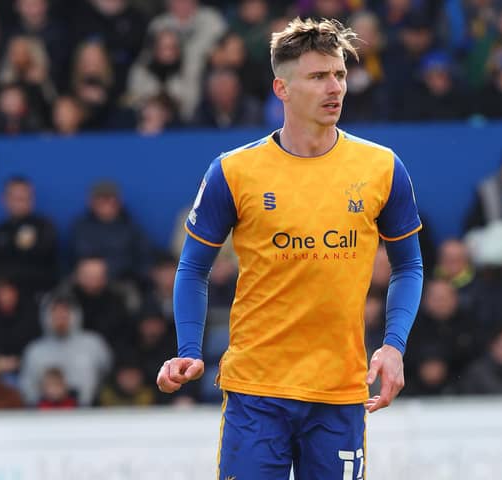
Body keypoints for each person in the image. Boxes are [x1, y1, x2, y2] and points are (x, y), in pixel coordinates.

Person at [156, 17, 424, 479]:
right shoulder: (234, 171)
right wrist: (188, 347)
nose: (334, 87)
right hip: (258, 390)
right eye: (318, 76)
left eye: (339, 74)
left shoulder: (382, 168)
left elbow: (409, 265)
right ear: (281, 88)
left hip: (339, 391)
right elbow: (193, 267)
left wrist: (395, 345)